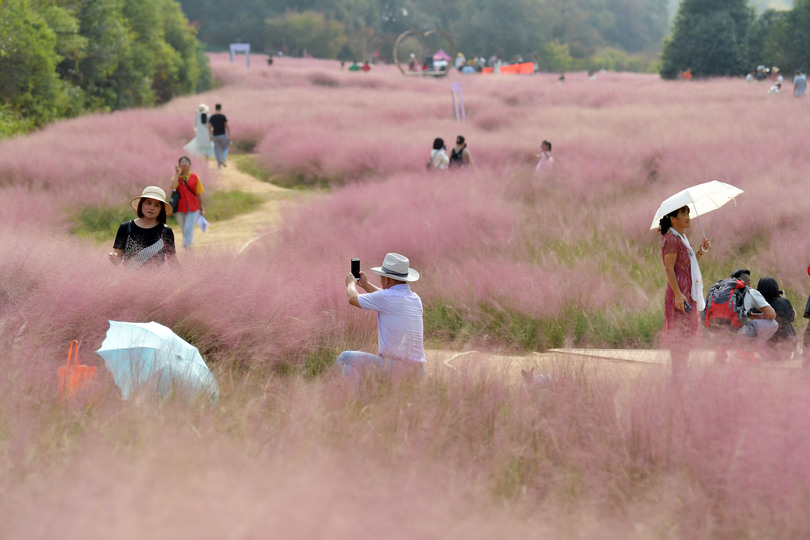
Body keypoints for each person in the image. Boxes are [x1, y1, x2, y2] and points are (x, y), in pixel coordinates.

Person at [338, 253, 425, 377]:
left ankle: (359, 395)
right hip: (418, 372)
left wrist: (350, 283)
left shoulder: (386, 297)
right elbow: (387, 297)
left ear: (387, 279)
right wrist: (365, 285)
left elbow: (352, 298)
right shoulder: (415, 298)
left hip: (395, 369)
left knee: (344, 358)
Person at [659, 205, 711, 379]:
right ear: (673, 218)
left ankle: (682, 371)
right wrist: (678, 294)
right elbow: (669, 269)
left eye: (688, 213)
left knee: (686, 331)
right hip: (679, 293)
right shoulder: (671, 239)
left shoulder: (682, 238)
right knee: (678, 332)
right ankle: (677, 373)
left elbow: (688, 264)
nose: (688, 216)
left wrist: (701, 251)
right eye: (683, 213)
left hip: (688, 291)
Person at [109, 186, 176, 267]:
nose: (151, 207)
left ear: (161, 209)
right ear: (141, 204)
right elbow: (118, 257)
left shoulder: (166, 231)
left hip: (156, 278)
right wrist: (114, 258)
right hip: (129, 277)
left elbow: (172, 260)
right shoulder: (126, 228)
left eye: (157, 205)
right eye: (148, 203)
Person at [756, 276, 797, 359]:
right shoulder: (783, 302)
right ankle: (797, 351)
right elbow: (793, 317)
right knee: (786, 321)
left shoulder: (756, 305)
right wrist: (785, 300)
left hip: (764, 351)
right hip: (785, 350)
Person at [170, 156, 205, 249]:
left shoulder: (195, 177)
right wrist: (177, 174)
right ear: (179, 165)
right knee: (184, 230)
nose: (184, 163)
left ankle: (188, 250)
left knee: (188, 229)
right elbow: (173, 187)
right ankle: (189, 247)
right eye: (182, 162)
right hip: (180, 208)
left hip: (193, 207)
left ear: (190, 164)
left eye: (186, 162)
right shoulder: (175, 178)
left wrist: (201, 208)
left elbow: (199, 194)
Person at [208, 103, 230, 168]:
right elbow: (227, 126)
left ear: (215, 108)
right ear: (221, 108)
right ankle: (223, 159)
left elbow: (209, 127)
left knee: (217, 150)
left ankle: (219, 163)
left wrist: (210, 135)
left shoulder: (212, 117)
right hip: (223, 135)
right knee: (225, 148)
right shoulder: (223, 116)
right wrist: (229, 134)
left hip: (215, 136)